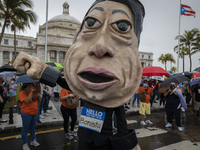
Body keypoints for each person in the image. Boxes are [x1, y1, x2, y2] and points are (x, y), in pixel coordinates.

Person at [14, 0, 145, 149]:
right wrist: (43, 70)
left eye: (121, 27)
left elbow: (121, 120)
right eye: (91, 23)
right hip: (84, 139)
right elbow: (67, 83)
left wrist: (128, 144)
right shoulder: (84, 88)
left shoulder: (114, 95)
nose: (100, 47)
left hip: (104, 142)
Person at [19, 83, 42, 150]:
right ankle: (25, 144)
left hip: (34, 112)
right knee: (25, 129)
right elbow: (27, 101)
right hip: (26, 113)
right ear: (27, 85)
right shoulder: (23, 92)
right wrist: (31, 92)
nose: (33, 86)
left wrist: (38, 95)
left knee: (32, 127)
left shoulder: (35, 92)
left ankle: (33, 140)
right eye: (32, 85)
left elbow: (40, 100)